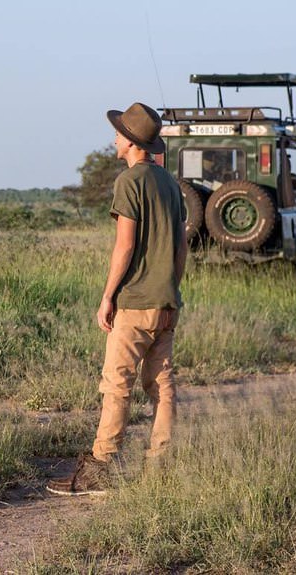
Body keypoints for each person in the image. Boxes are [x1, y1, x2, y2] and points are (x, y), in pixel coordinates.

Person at [48, 102, 187, 496]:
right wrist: (169, 287)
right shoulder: (169, 184)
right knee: (161, 385)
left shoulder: (130, 182)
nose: (114, 138)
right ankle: (160, 468)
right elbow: (181, 248)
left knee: (116, 385)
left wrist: (108, 295)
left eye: (118, 133)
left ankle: (101, 469)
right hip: (166, 303)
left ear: (130, 142)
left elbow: (124, 245)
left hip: (135, 303)